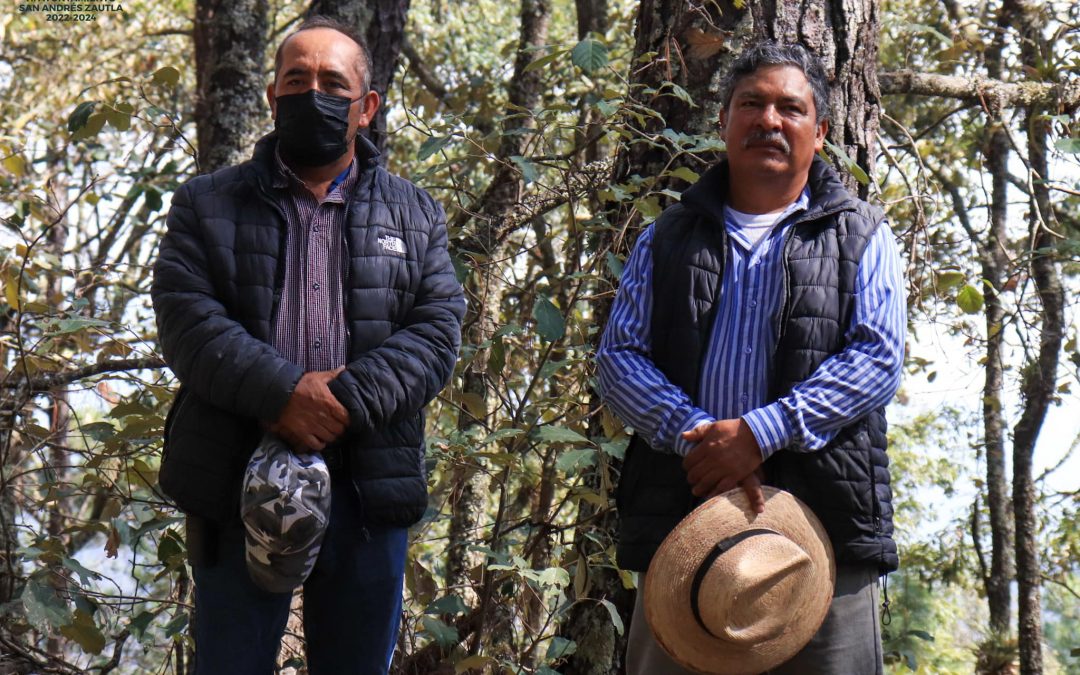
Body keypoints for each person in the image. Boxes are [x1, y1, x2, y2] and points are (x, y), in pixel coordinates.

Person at [151, 16, 464, 674]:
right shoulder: (205, 204)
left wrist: (337, 403)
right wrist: (281, 393)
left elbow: (437, 331)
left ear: (367, 106)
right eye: (297, 80)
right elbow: (186, 319)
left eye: (332, 82)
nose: (313, 93)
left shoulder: (416, 212)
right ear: (271, 96)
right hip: (232, 475)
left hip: (369, 483)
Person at [596, 41, 905, 674]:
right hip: (687, 529)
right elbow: (619, 356)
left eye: (790, 108)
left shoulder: (863, 233)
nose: (769, 120)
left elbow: (877, 356)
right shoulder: (665, 236)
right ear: (724, 123)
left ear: (819, 132)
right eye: (752, 104)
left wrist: (761, 433)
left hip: (827, 532)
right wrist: (702, 441)